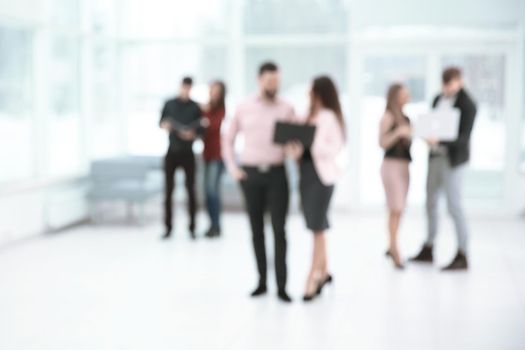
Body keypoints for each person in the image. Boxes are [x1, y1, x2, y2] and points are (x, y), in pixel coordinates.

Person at [222, 62, 295, 303]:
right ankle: (262, 282)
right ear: (259, 80)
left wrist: (295, 149)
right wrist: (233, 168)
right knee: (256, 231)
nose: (273, 85)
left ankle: (282, 286)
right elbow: (228, 139)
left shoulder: (286, 108)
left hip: (277, 174)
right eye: (269, 81)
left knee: (279, 230)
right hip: (250, 175)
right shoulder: (243, 107)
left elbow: (295, 141)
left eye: (277, 81)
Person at [284, 76, 345, 302]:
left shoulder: (329, 117)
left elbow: (335, 147)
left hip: (322, 178)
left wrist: (312, 142)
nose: (309, 94)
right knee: (315, 226)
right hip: (306, 174)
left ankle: (311, 278)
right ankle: (325, 273)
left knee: (317, 228)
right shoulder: (308, 115)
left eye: (312, 91)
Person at [410, 67, 477, 270]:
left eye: (450, 83)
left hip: (453, 160)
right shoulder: (438, 99)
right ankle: (429, 247)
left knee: (454, 205)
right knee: (430, 202)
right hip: (435, 157)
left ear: (459, 81)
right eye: (444, 84)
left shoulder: (468, 104)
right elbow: (433, 124)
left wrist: (441, 140)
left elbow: (464, 138)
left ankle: (462, 252)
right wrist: (427, 136)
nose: (446, 88)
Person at [159, 77, 203, 240]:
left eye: (188, 88)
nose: (185, 90)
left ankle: (192, 228)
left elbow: (200, 130)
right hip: (172, 152)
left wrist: (193, 135)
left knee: (191, 190)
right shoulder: (169, 104)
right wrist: (166, 125)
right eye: (183, 87)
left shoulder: (195, 107)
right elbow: (161, 122)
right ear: (180, 87)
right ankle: (168, 228)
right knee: (168, 191)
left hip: (188, 153)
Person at [378, 84, 412, 269]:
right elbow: (381, 142)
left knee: (400, 209)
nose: (408, 97)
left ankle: (392, 245)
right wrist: (398, 132)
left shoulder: (406, 118)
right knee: (395, 207)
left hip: (405, 166)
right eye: (404, 94)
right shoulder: (388, 117)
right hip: (391, 166)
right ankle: (394, 249)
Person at [201, 81, 227, 239]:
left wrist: (205, 116)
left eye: (216, 90)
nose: (213, 92)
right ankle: (211, 224)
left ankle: (216, 225)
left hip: (218, 156)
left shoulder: (221, 109)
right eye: (211, 89)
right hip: (207, 155)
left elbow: (212, 126)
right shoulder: (205, 108)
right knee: (207, 192)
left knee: (212, 192)